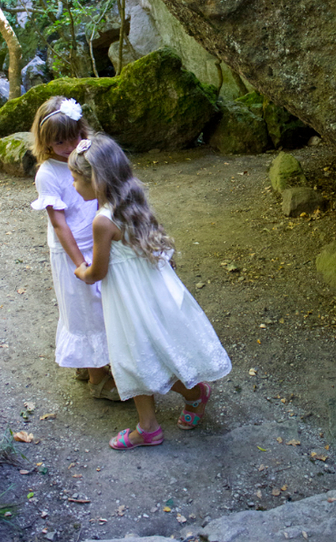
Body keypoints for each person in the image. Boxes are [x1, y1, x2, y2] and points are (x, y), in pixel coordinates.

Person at [70, 134, 232, 449]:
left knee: (138, 355)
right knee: (138, 355)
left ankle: (190, 397)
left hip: (130, 300)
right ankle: (152, 424)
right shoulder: (131, 200)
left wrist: (81, 271)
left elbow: (98, 272)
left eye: (76, 178)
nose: (73, 185)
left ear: (98, 181)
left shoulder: (103, 221)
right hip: (149, 291)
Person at [30, 97, 119, 401]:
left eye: (75, 138)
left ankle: (86, 363)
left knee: (98, 306)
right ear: (45, 142)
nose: (69, 146)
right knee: (84, 311)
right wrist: (80, 264)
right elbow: (59, 224)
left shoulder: (86, 158)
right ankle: (97, 379)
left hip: (97, 240)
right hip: (72, 252)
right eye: (59, 142)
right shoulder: (48, 174)